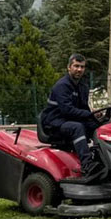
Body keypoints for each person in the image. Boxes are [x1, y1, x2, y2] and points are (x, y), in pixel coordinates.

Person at [40, 53, 106, 181]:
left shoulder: (83, 86)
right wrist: (88, 115)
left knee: (98, 126)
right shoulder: (62, 86)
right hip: (54, 124)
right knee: (77, 127)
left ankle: (105, 160)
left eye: (82, 67)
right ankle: (87, 165)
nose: (79, 69)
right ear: (69, 67)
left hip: (68, 121)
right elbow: (67, 110)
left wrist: (95, 117)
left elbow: (83, 108)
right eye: (76, 66)